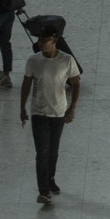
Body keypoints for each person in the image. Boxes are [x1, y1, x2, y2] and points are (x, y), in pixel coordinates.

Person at [20, 26, 81, 205]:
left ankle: (51, 179)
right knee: (42, 152)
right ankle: (43, 191)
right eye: (39, 40)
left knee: (53, 151)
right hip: (39, 112)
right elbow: (26, 84)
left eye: (44, 41)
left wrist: (72, 108)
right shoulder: (33, 61)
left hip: (58, 112)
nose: (40, 44)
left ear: (54, 42)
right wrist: (22, 108)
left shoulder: (67, 60)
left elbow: (76, 84)